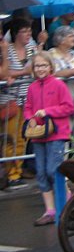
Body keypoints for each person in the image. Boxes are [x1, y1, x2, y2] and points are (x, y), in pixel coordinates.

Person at [24, 51, 74, 226]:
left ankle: (67, 202)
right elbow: (28, 107)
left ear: (50, 67)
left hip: (57, 132)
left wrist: (48, 111)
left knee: (53, 170)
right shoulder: (32, 87)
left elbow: (68, 107)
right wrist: (30, 118)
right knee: (41, 172)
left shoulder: (59, 85)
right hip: (39, 134)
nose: (40, 69)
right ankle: (50, 210)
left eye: (44, 65)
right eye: (37, 66)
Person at [2, 19, 37, 188]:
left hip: (27, 98)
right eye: (25, 31)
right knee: (10, 138)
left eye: (30, 31)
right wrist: (23, 72)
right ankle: (11, 174)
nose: (28, 34)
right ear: (16, 33)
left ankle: (18, 169)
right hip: (10, 100)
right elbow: (5, 72)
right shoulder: (6, 49)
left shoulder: (31, 49)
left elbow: (37, 67)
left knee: (22, 137)